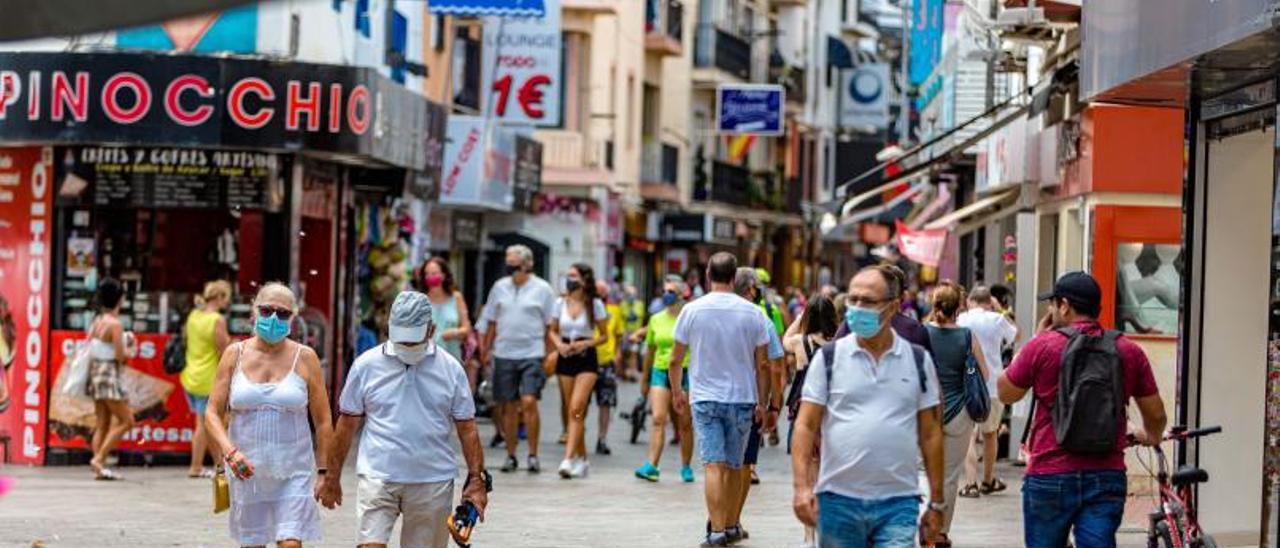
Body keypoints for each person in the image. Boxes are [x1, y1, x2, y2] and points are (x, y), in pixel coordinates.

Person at [998, 271, 1167, 548]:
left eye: (1052, 304)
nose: (1050, 310)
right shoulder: (1128, 350)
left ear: (1064, 305)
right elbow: (1157, 414)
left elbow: (1006, 392)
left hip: (1049, 475)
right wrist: (1150, 435)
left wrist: (1034, 341)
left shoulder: (1043, 346)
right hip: (1106, 474)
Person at [791, 265, 945, 547]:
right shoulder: (828, 359)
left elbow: (931, 433)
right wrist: (801, 487)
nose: (858, 308)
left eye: (868, 301)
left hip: (898, 502)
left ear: (893, 306)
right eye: (853, 299)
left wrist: (936, 502)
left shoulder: (918, 360)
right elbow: (805, 424)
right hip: (838, 501)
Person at [320, 291, 488, 548]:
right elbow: (346, 424)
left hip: (432, 481)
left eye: (413, 341)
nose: (407, 348)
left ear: (431, 330)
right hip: (378, 476)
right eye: (402, 340)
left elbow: (467, 428)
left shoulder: (451, 369)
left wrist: (477, 480)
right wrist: (332, 477)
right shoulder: (366, 365)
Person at [204, 283, 333, 548]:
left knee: (290, 544)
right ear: (254, 312)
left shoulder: (305, 357)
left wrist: (324, 472)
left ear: (292, 318)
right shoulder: (234, 354)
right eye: (267, 310)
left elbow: (323, 421)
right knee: (253, 544)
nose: (274, 318)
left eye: (283, 313)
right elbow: (212, 413)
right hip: (246, 472)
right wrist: (229, 452)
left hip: (293, 471)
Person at [667, 252, 774, 547]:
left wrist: (677, 391)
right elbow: (763, 364)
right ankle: (728, 526)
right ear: (734, 275)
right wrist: (763, 403)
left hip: (704, 398)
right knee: (732, 466)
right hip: (742, 398)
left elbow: (675, 359)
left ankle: (716, 531)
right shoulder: (754, 313)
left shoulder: (692, 310)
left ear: (708, 275)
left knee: (713, 465)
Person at [478, 245, 557, 474]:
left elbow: (549, 326)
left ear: (528, 264)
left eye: (514, 262)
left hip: (532, 352)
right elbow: (490, 321)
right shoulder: (499, 287)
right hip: (504, 353)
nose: (510, 266)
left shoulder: (543, 289)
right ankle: (511, 454)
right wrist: (485, 349)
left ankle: (533, 454)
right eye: (508, 261)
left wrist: (550, 353)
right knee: (508, 406)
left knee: (530, 401)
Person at [922, 282, 990, 546]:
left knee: (923, 471)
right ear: (959, 307)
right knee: (950, 476)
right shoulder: (966, 336)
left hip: (926, 411)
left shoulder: (922, 333)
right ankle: (940, 532)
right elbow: (983, 374)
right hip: (959, 412)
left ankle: (923, 524)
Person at [732, 267, 786, 538]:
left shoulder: (705, 312)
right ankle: (732, 520)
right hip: (748, 399)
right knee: (743, 464)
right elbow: (772, 366)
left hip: (712, 399)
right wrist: (773, 404)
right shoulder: (760, 318)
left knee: (718, 464)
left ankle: (718, 520)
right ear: (752, 290)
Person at [780, 294, 838, 548]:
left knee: (811, 471)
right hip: (832, 407)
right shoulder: (839, 343)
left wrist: (801, 317)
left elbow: (784, 340)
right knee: (830, 470)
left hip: (804, 406)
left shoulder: (800, 342)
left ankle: (808, 537)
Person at [957, 285, 1019, 497]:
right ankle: (988, 480)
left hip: (967, 383)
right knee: (990, 434)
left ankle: (970, 483)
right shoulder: (997, 319)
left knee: (969, 436)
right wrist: (1000, 310)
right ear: (988, 301)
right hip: (993, 385)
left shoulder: (962, 319)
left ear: (970, 301)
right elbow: (1016, 336)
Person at [550, 264, 609, 479]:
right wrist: (559, 345)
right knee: (573, 411)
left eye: (573, 276)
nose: (569, 279)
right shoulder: (560, 303)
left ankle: (568, 458)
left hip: (586, 358)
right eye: (568, 275)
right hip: (565, 356)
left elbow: (604, 336)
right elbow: (552, 330)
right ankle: (583, 459)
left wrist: (585, 344)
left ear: (584, 280)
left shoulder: (595, 304)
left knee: (576, 407)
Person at [634, 278, 696, 484]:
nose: (666, 294)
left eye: (671, 291)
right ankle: (652, 465)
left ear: (680, 295)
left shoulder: (689, 317)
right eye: (664, 290)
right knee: (658, 418)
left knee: (684, 423)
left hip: (684, 372)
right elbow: (650, 351)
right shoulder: (656, 319)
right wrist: (644, 380)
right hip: (660, 371)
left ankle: (686, 466)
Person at [86, 278, 137, 481]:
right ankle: (99, 460)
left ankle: (100, 468)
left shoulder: (98, 320)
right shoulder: (115, 324)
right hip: (109, 375)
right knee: (127, 421)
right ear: (120, 300)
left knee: (102, 423)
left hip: (96, 373)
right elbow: (120, 356)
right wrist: (131, 347)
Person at [181, 280, 232, 479]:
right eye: (226, 298)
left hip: (191, 375)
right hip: (207, 378)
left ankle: (218, 464)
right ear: (219, 297)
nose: (227, 303)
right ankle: (195, 467)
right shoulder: (217, 320)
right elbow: (223, 351)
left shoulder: (194, 315)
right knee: (205, 425)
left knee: (206, 423)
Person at [834, 264, 933, 355]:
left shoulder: (915, 332)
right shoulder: (851, 325)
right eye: (853, 299)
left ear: (894, 304)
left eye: (869, 300)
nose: (859, 306)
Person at [417, 257, 472, 364]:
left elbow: (467, 329)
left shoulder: (456, 298)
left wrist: (454, 332)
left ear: (444, 275)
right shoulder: (420, 300)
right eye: (427, 274)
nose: (430, 277)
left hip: (452, 358)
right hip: (425, 360)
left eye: (434, 273)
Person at [594, 281, 623, 455]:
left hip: (607, 361)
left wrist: (618, 353)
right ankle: (575, 434)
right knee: (580, 403)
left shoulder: (614, 310)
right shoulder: (585, 308)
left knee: (606, 403)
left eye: (602, 293)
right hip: (587, 360)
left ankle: (602, 438)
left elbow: (618, 335)